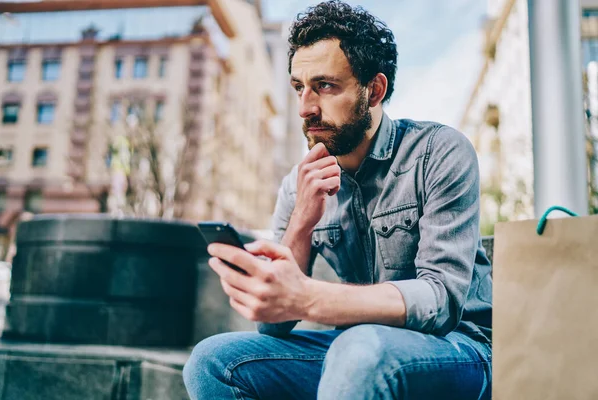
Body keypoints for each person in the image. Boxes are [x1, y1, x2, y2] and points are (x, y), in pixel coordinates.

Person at [183, 1, 492, 399]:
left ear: (374, 90)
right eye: (299, 87)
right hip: (355, 347)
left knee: (359, 349)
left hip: (458, 348)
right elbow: (274, 327)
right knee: (213, 361)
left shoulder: (439, 152)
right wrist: (301, 221)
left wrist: (311, 297)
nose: (305, 108)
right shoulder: (298, 184)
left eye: (325, 86)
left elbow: (440, 299)